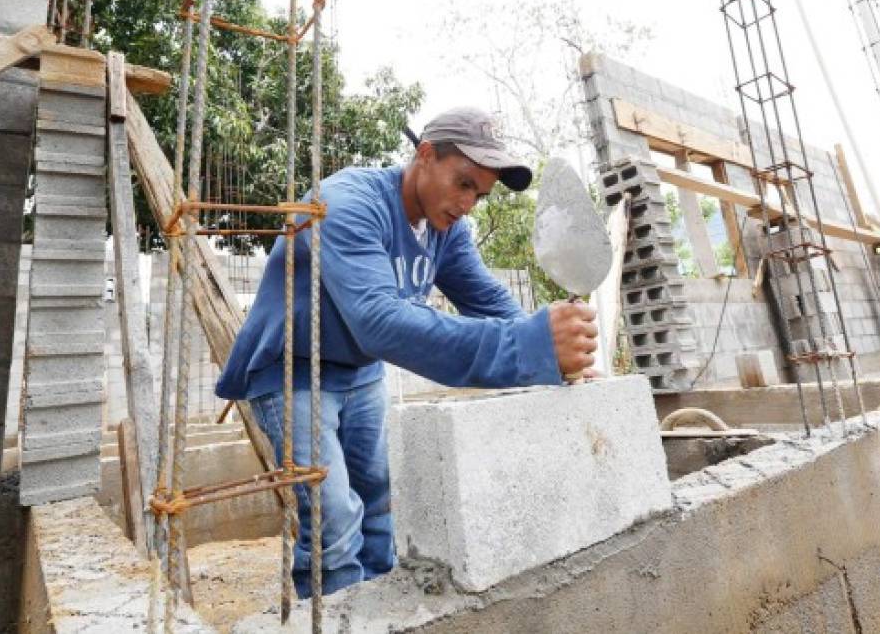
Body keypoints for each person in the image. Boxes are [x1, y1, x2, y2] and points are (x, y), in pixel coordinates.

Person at [215, 106, 599, 597]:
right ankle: (336, 618)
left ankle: (378, 604)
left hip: (359, 370)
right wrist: (531, 346)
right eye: (463, 184)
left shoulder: (446, 229)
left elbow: (485, 299)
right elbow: (378, 321)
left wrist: (556, 351)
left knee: (378, 501)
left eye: (479, 194)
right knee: (332, 520)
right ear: (424, 155)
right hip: (293, 370)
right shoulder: (345, 203)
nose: (469, 205)